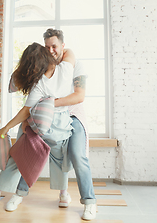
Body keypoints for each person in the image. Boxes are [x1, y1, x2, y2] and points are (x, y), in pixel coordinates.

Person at [12, 29, 97, 220]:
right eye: (47, 46)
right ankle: (19, 193)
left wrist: (48, 104)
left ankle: (90, 202)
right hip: (47, 115)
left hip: (73, 116)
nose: (51, 50)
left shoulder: (76, 65)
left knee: (76, 154)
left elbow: (79, 96)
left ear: (62, 46)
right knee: (31, 145)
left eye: (54, 46)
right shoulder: (43, 67)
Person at [0, 42, 76, 215]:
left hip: (35, 125)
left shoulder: (39, 84)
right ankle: (63, 194)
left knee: (18, 158)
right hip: (59, 126)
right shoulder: (64, 69)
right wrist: (61, 48)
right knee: (60, 161)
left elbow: (25, 112)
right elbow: (70, 54)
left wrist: (5, 128)